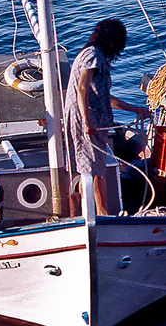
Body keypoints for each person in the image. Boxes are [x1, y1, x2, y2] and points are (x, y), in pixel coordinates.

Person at [63, 18, 151, 216]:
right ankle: (101, 214)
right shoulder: (92, 55)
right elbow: (82, 88)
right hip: (86, 118)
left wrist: (135, 109)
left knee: (95, 166)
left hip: (94, 118)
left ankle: (85, 210)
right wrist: (86, 121)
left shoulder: (98, 57)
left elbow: (105, 97)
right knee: (93, 168)